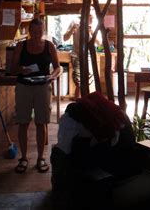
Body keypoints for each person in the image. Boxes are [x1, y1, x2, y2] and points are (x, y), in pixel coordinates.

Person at [11, 18, 61, 173]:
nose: (37, 34)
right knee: (23, 123)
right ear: (29, 31)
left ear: (43, 31)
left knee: (41, 123)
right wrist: (21, 69)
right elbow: (12, 68)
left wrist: (52, 75)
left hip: (42, 87)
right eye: (34, 32)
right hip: (24, 87)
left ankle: (41, 158)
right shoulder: (21, 46)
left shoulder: (49, 46)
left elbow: (58, 67)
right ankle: (24, 158)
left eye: (40, 32)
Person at [63, 10, 101, 98]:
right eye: (90, 17)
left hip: (89, 57)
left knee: (88, 81)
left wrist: (92, 33)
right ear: (84, 16)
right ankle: (78, 104)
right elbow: (65, 38)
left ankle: (84, 103)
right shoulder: (75, 23)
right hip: (76, 56)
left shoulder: (94, 26)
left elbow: (100, 44)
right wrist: (72, 29)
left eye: (92, 17)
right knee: (79, 82)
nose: (91, 19)